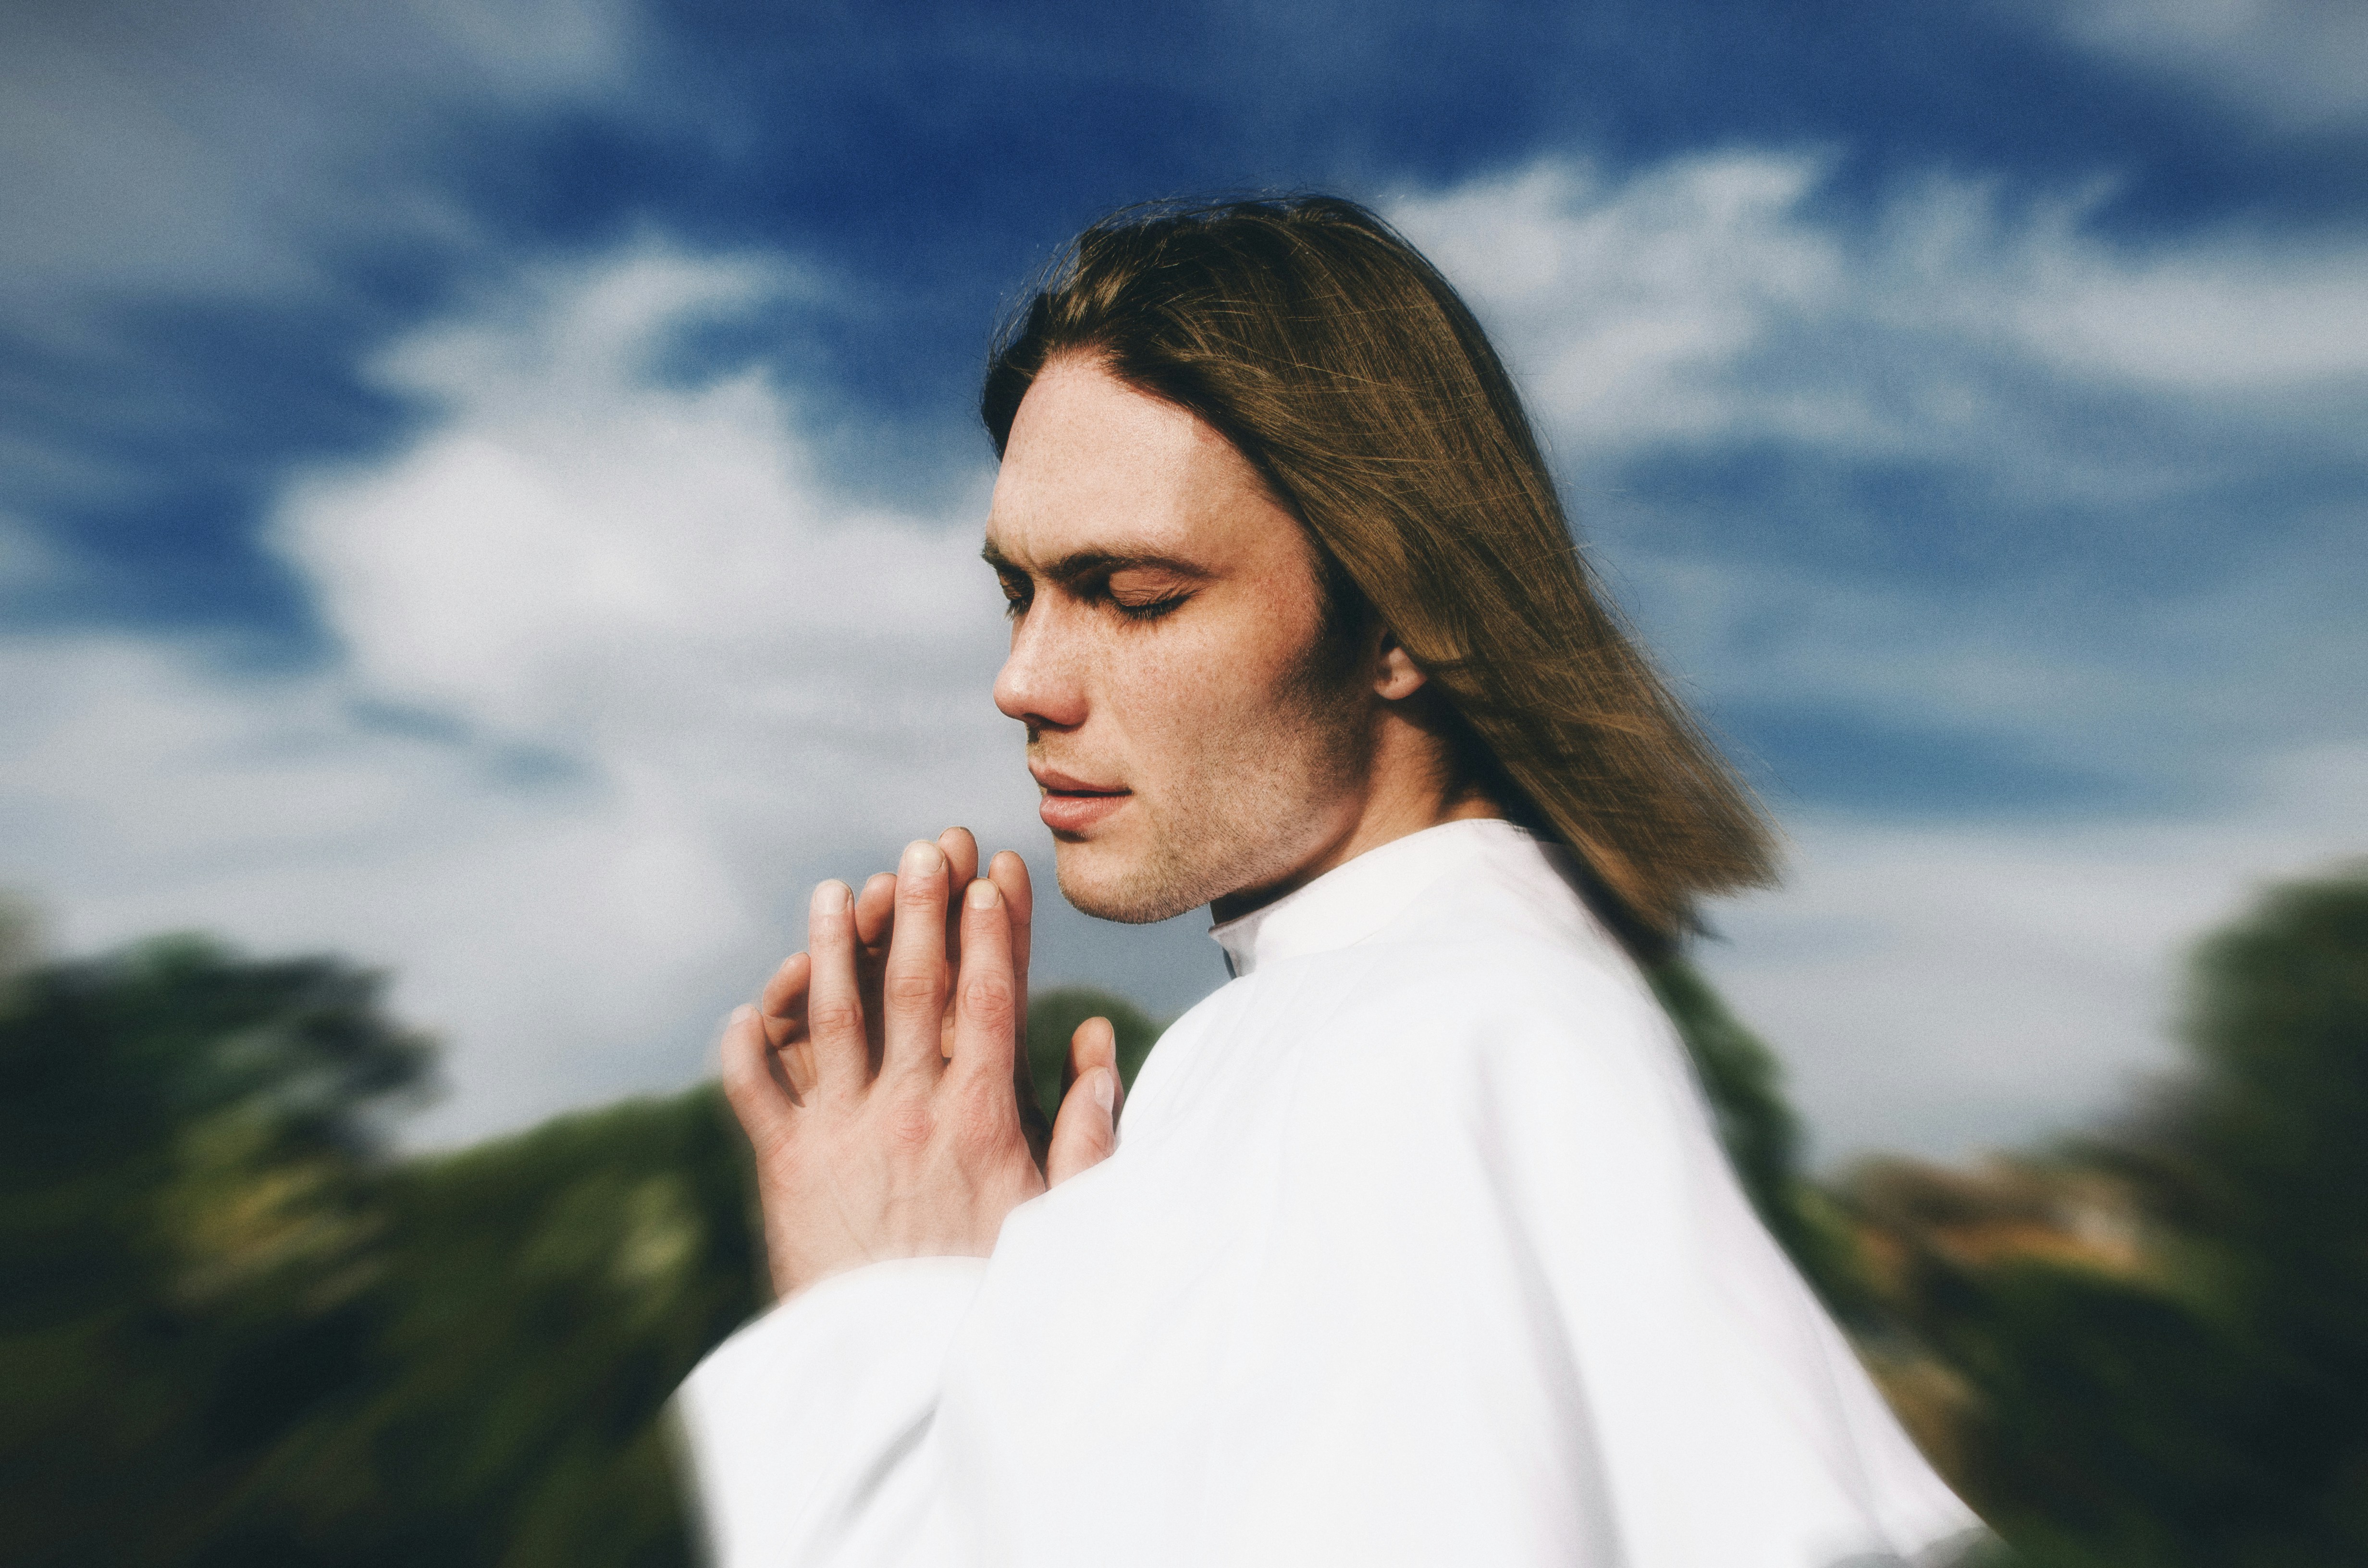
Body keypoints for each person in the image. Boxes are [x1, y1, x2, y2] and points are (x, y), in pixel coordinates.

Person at [672, 197, 1986, 1567]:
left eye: (1134, 594)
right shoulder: (1452, 1024)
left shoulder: (1402, 1053)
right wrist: (1046, 1339)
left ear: (1405, 617)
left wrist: (878, 1322)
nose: (1023, 682)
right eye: (1021, 593)